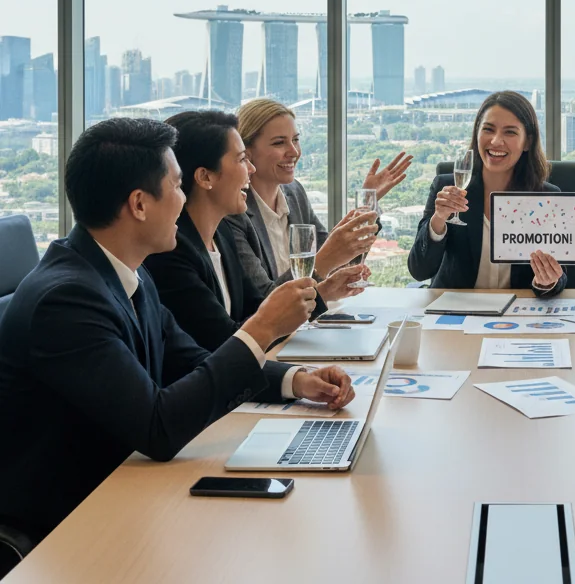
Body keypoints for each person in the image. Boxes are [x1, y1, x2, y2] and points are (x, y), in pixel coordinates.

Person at [0, 118, 356, 542]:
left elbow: (193, 361)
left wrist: (296, 381)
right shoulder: (66, 301)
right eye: (176, 186)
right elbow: (158, 427)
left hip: (127, 491)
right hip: (68, 524)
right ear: (139, 204)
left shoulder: (126, 273)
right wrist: (261, 329)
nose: (184, 199)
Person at [146, 111, 370, 352]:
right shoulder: (173, 253)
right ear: (205, 176)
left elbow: (258, 310)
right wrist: (323, 264)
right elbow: (228, 343)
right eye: (242, 159)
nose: (250, 169)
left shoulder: (221, 235)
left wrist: (323, 292)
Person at [231, 98, 411, 291]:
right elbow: (263, 301)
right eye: (279, 143)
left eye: (296, 140)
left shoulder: (294, 194)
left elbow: (339, 263)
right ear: (246, 152)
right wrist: (324, 260)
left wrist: (368, 203)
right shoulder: (234, 210)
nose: (294, 151)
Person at [408, 91, 568, 295]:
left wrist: (546, 281)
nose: (495, 141)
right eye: (488, 130)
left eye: (510, 132)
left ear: (527, 142)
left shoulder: (546, 198)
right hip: (458, 313)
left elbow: (561, 275)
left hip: (518, 314)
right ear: (477, 134)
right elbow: (419, 270)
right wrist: (438, 219)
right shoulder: (447, 187)